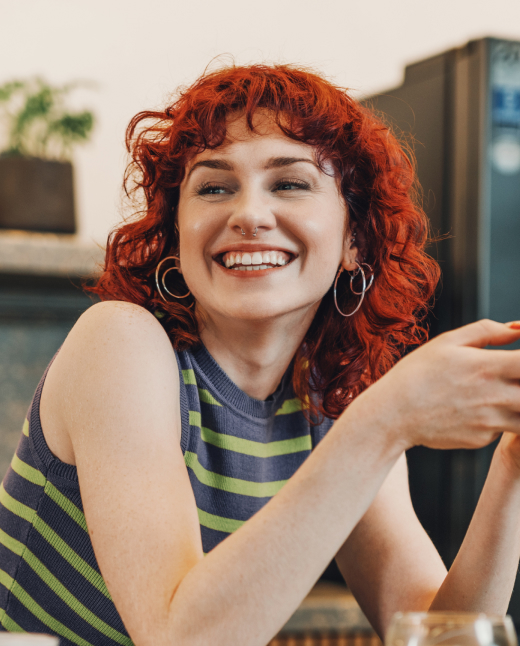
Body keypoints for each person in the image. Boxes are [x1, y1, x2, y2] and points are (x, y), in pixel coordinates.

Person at [1, 63, 520, 646]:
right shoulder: (118, 343)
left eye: (290, 183)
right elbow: (180, 639)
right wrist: (387, 420)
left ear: (355, 238)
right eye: (214, 187)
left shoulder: (336, 407)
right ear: (176, 234)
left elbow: (441, 636)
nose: (248, 214)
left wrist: (511, 468)